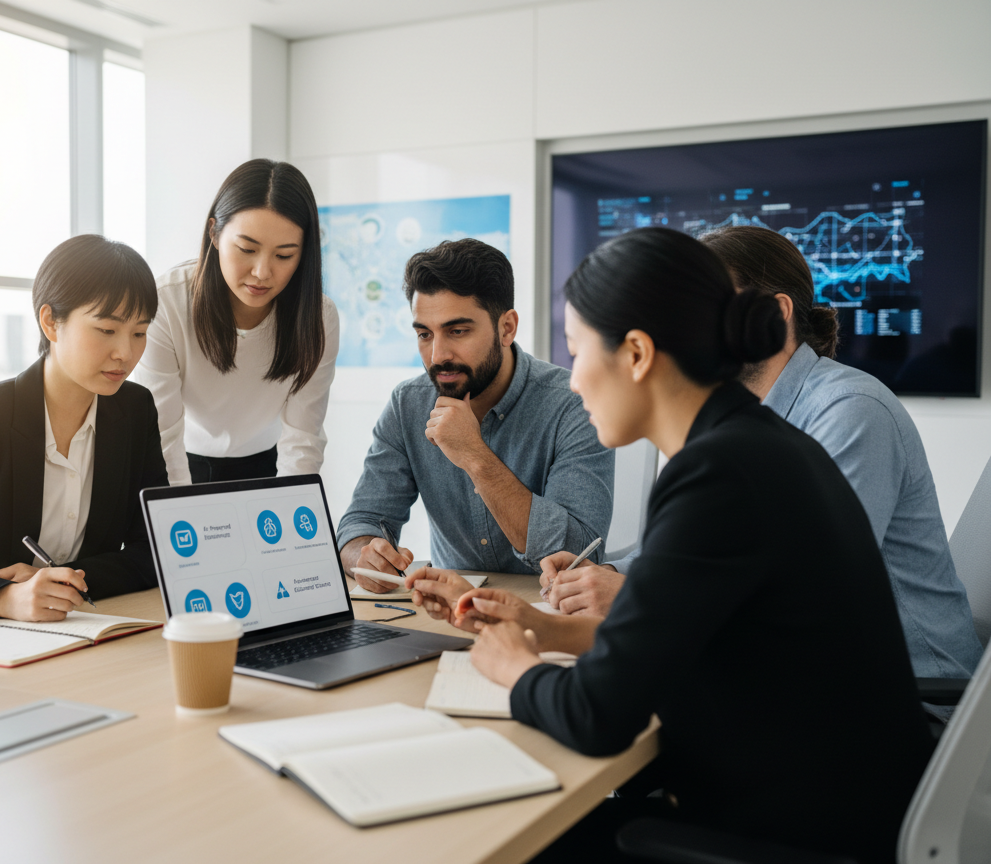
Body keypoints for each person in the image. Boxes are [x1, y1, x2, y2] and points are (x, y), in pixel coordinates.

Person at [409, 228, 934, 863]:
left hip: (787, 835)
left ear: (635, 353)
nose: (573, 382)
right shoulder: (752, 442)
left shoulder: (717, 474)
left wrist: (514, 668)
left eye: (577, 354)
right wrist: (539, 629)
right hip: (830, 803)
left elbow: (598, 717)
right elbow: (677, 631)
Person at [541, 225, 983, 682]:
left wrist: (633, 592)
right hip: (802, 676)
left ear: (774, 315)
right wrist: (607, 573)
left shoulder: (851, 410)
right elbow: (704, 556)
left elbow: (809, 589)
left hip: (914, 693)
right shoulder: (726, 419)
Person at [0, 235, 168, 627]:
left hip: (64, 629)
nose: (125, 352)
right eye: (107, 330)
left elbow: (153, 551)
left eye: (139, 333)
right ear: (50, 322)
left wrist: (57, 584)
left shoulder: (134, 410)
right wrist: (5, 598)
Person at [336, 238, 613, 591]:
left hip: (551, 615)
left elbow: (578, 553)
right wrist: (363, 554)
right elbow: (360, 521)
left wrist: (474, 456)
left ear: (506, 328)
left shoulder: (572, 403)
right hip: (450, 611)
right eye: (424, 334)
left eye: (457, 331)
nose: (437, 355)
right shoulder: (408, 404)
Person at [133, 159, 338, 485]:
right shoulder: (166, 302)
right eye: (246, 248)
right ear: (214, 233)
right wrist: (177, 514)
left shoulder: (318, 318)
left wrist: (295, 511)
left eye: (284, 255)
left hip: (268, 464)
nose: (262, 272)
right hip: (181, 461)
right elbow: (163, 436)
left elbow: (303, 438)